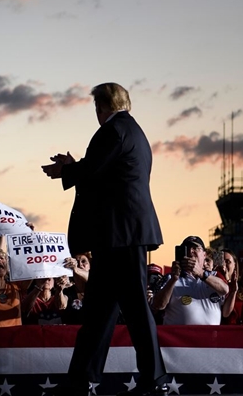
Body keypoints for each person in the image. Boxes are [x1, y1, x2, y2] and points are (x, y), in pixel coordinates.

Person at [41, 82, 169, 396]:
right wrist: (75, 168)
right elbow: (106, 176)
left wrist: (66, 171)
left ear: (101, 107)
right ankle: (81, 380)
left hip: (120, 236)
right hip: (121, 236)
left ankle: (155, 381)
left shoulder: (112, 131)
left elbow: (94, 171)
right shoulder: (133, 131)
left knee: (136, 310)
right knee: (99, 313)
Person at [152, 236, 228, 325]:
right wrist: (174, 279)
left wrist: (201, 273)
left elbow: (225, 290)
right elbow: (158, 305)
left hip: (209, 338)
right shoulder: (170, 278)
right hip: (180, 338)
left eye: (196, 248)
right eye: (187, 248)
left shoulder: (214, 276)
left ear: (204, 255)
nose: (191, 251)